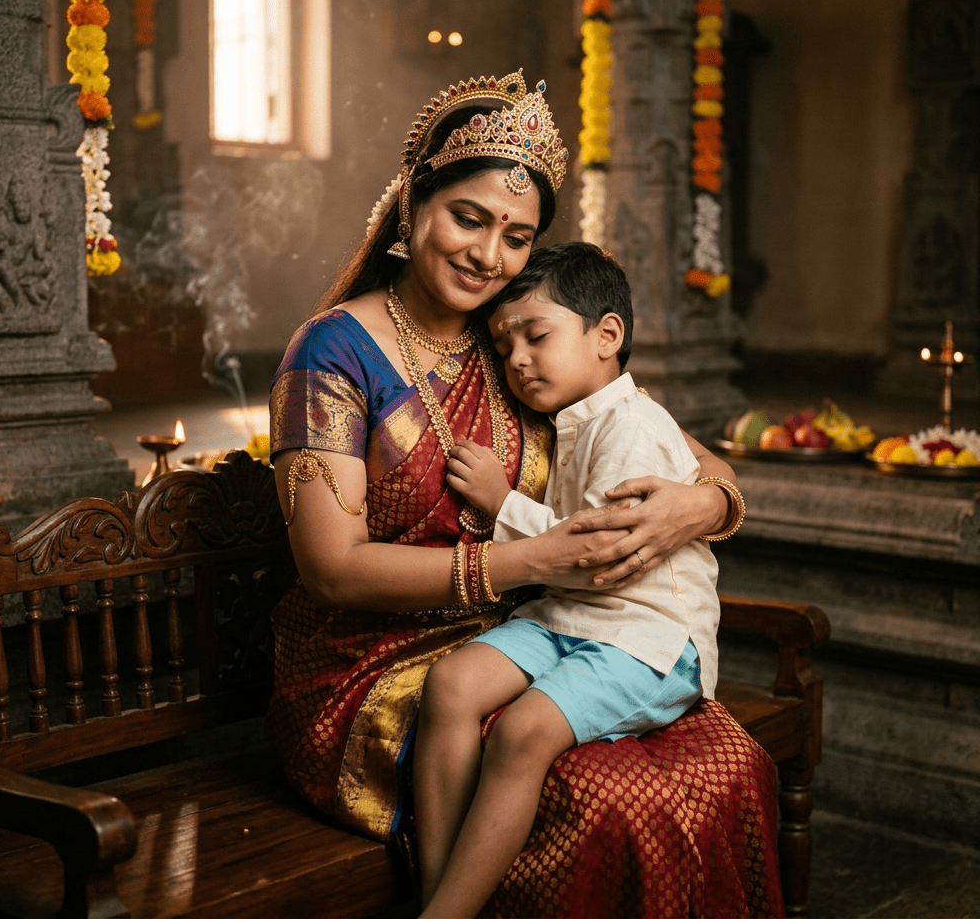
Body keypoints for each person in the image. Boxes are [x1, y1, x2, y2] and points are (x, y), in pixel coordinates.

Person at [266, 70, 784, 918]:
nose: (488, 255)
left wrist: (704, 507)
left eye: (516, 235)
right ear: (411, 207)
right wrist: (536, 556)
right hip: (371, 666)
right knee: (606, 800)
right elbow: (330, 570)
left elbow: (686, 455)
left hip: (549, 631)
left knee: (721, 763)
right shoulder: (331, 352)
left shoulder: (521, 341)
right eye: (468, 219)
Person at [416, 242, 726, 917]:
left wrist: (502, 504)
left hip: (646, 637)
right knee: (452, 685)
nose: (517, 360)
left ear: (606, 334)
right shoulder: (573, 422)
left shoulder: (634, 424)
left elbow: (599, 553)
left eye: (536, 335)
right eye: (503, 347)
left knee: (523, 732)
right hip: (568, 617)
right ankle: (439, 892)